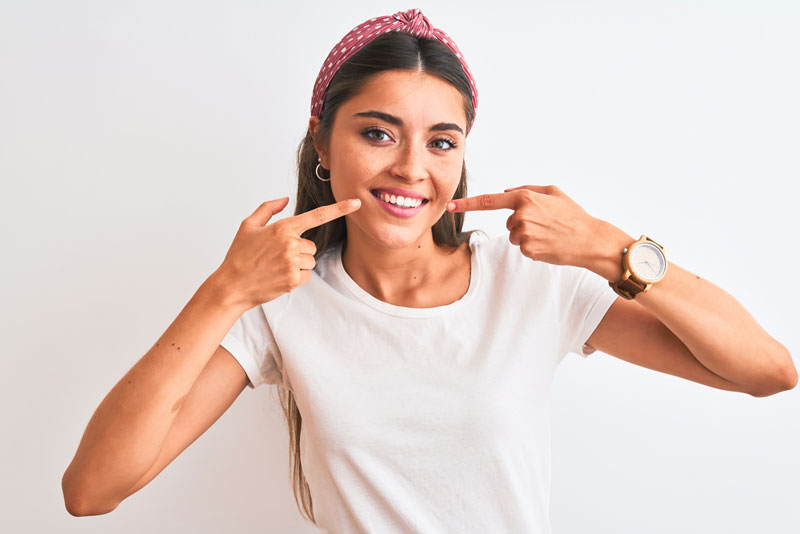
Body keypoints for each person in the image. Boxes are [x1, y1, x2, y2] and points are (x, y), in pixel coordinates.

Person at [62, 8, 797, 533]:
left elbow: (766, 371)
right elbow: (92, 491)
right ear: (324, 139)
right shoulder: (279, 303)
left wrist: (610, 248)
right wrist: (224, 291)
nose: (411, 168)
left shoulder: (529, 279)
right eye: (378, 132)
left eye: (441, 142)